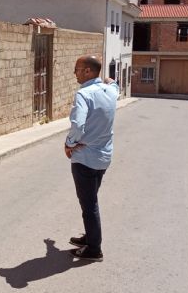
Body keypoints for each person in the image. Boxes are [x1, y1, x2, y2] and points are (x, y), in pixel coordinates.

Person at [64, 55, 119, 262]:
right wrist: (108, 80)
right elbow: (116, 84)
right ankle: (90, 236)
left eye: (77, 69)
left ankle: (94, 249)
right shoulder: (111, 92)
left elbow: (78, 125)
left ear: (88, 71)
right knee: (91, 200)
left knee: (89, 205)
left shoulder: (84, 94)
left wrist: (69, 144)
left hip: (85, 159)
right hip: (104, 157)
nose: (74, 72)